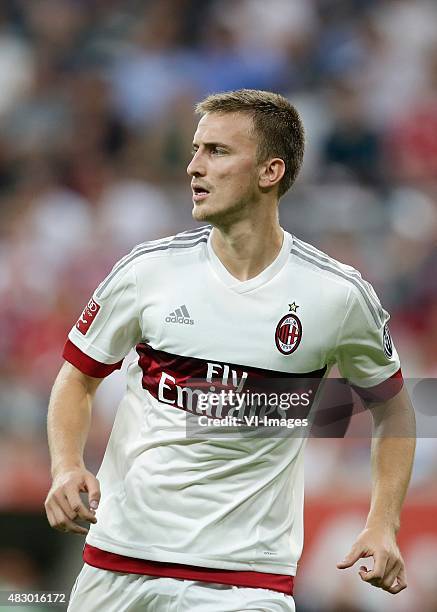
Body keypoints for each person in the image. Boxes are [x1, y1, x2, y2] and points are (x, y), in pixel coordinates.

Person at [45, 89, 416, 612]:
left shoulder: (336, 295)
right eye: (196, 150)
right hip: (120, 562)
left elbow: (394, 407)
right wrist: (65, 466)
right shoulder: (147, 272)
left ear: (270, 172)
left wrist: (383, 523)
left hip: (248, 580)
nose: (194, 167)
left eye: (217, 152)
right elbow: (76, 378)